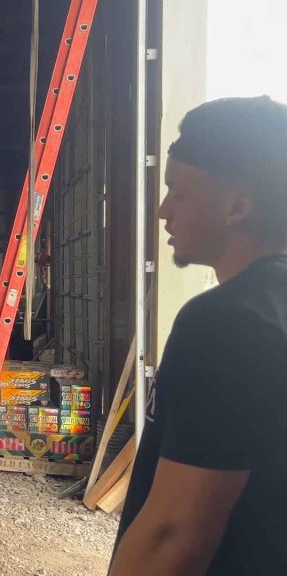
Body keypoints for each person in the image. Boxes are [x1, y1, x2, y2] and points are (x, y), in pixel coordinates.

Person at [110, 96, 287, 575]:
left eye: (178, 192)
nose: (163, 210)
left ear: (237, 205)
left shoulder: (229, 322)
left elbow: (173, 535)